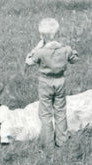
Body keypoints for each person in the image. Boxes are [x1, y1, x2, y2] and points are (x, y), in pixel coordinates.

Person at [25, 17, 79, 147]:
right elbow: (75, 59)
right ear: (58, 34)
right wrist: (73, 52)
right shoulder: (65, 49)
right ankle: (62, 140)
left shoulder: (40, 52)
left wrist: (34, 49)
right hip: (60, 82)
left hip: (45, 83)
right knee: (60, 111)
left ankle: (48, 142)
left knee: (45, 113)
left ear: (41, 36)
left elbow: (28, 62)